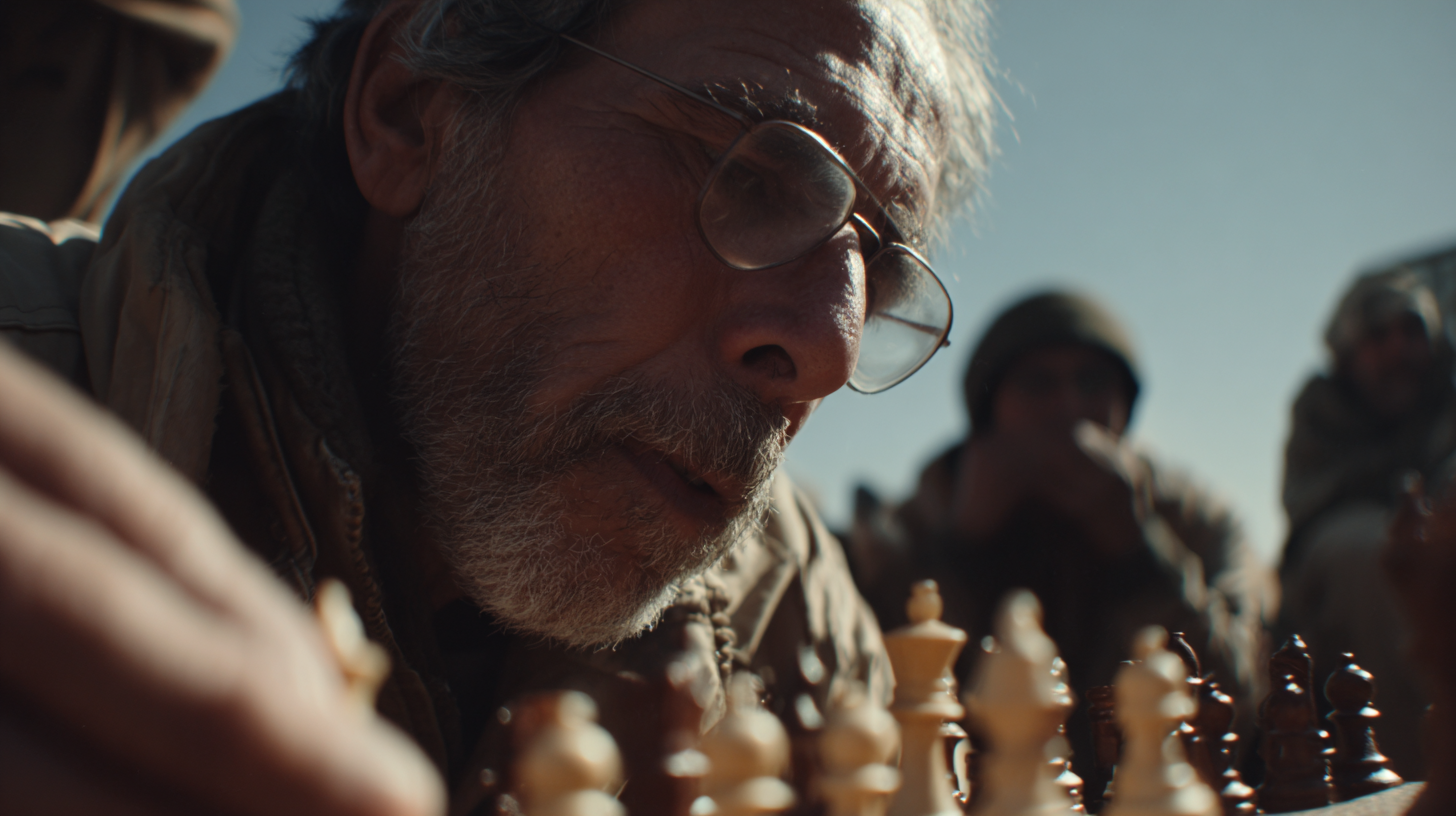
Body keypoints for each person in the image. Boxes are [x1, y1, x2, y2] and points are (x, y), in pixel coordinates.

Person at [0, 0, 997, 813]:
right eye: (747, 169)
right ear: (405, 114)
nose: (827, 346)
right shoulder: (29, 411)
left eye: (874, 265)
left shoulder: (790, 612)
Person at [848, 291, 1272, 790]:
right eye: (1037, 383)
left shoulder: (1196, 520)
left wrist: (1140, 555)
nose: (1067, 407)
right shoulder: (911, 526)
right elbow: (876, 702)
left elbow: (1239, 695)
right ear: (989, 409)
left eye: (1092, 383)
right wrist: (962, 551)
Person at [1277, 265, 1456, 779]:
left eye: (1412, 331)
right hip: (1333, 574)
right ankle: (1422, 781)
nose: (1398, 349)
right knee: (1373, 553)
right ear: (1349, 355)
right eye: (1378, 336)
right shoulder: (1320, 413)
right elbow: (1312, 507)